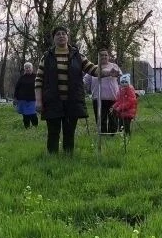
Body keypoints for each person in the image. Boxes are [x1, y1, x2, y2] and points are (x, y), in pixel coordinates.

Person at [35, 26, 118, 155]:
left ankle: (68, 157)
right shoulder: (46, 57)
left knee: (69, 132)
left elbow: (94, 70)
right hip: (52, 101)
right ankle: (52, 158)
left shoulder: (78, 55)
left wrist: (108, 72)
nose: (61, 36)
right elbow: (38, 80)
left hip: (72, 101)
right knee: (53, 132)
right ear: (54, 39)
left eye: (64, 34)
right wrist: (38, 101)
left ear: (68, 37)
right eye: (58, 34)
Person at [83, 50, 122, 134]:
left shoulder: (114, 66)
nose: (104, 57)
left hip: (113, 98)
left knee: (113, 118)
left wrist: (114, 73)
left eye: (105, 55)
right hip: (98, 98)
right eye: (101, 55)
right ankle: (102, 135)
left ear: (108, 56)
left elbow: (120, 75)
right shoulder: (93, 69)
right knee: (100, 119)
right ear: (98, 57)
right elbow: (85, 81)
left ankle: (113, 135)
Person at [13, 62, 39, 128]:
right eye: (26, 68)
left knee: (33, 114)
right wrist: (15, 97)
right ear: (25, 69)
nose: (28, 69)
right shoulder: (22, 78)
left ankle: (35, 126)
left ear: (32, 68)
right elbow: (17, 88)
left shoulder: (36, 77)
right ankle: (27, 128)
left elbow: (40, 87)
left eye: (29, 68)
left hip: (33, 99)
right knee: (25, 115)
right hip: (23, 99)